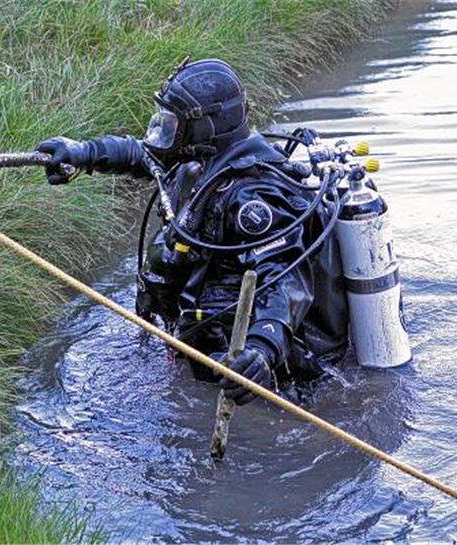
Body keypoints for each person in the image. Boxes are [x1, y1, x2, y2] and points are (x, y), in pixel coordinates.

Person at [34, 58, 350, 405]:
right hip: (199, 342)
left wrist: (260, 351)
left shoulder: (254, 200)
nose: (163, 132)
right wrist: (85, 153)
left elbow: (284, 283)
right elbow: (144, 156)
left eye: (172, 123)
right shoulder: (203, 162)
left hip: (273, 375)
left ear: (203, 128)